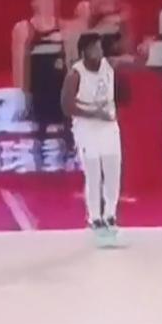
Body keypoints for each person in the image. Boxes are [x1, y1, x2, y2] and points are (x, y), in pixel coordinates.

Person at [61, 33, 127, 246]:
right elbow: (67, 106)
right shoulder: (75, 75)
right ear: (84, 52)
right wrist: (93, 114)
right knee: (93, 173)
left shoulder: (109, 66)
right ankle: (95, 217)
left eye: (100, 47)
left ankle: (110, 214)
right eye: (94, 48)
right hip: (86, 126)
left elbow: (128, 63)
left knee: (113, 170)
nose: (99, 51)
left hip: (108, 124)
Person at [12, 0, 70, 165]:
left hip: (60, 88)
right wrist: (21, 93)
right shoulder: (25, 29)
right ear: (34, 4)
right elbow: (19, 62)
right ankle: (39, 158)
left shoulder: (64, 27)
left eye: (51, 1)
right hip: (38, 89)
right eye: (44, 2)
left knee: (66, 127)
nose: (48, 6)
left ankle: (67, 156)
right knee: (40, 128)